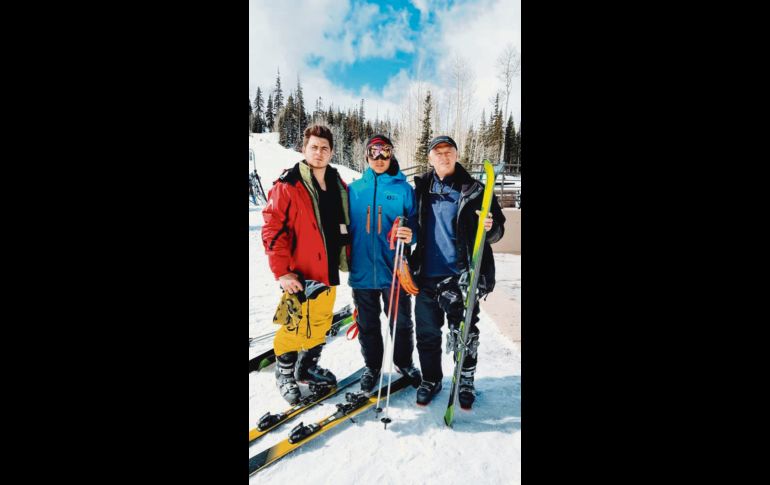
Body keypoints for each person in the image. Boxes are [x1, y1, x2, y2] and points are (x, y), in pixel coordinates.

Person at [409, 135, 506, 408]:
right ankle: (431, 379)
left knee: (464, 333)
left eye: (448, 151)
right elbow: (410, 222)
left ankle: (465, 379)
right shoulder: (421, 188)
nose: (443, 156)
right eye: (437, 152)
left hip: (462, 276)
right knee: (427, 333)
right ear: (429, 157)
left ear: (456, 154)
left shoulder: (475, 189)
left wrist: (491, 227)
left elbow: (499, 229)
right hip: (427, 275)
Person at [261, 124, 351, 404]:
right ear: (304, 149)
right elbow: (272, 228)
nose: (319, 152)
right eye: (314, 147)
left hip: (328, 271)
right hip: (298, 272)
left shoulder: (339, 184)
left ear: (332, 152)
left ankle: (307, 367)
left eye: (324, 148)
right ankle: (284, 373)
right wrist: (282, 272)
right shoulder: (288, 184)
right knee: (293, 326)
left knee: (322, 322)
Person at [347, 134, 422, 392]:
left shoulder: (404, 190)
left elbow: (417, 226)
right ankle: (372, 366)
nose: (380, 157)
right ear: (366, 155)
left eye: (385, 151)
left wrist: (412, 233)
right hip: (362, 272)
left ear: (391, 154)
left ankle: (404, 362)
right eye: (374, 151)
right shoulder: (353, 190)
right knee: (368, 325)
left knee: (401, 322)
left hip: (394, 272)